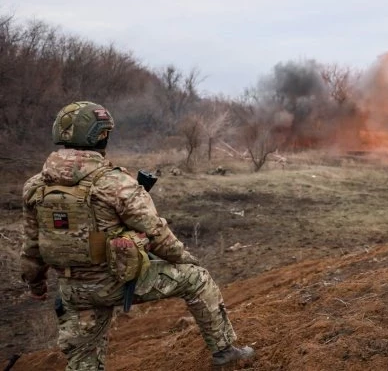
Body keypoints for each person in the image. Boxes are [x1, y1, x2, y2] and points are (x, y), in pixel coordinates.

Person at [20, 101, 254, 370]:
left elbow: (31, 247)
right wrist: (187, 259)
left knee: (83, 362)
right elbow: (156, 234)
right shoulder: (114, 182)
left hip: (72, 292)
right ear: (100, 135)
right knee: (197, 279)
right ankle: (225, 352)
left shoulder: (35, 186)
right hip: (115, 282)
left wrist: (36, 285)